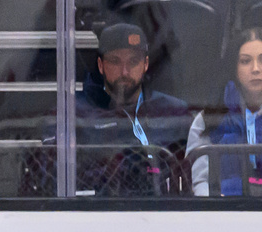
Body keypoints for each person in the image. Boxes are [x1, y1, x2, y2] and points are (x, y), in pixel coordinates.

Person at [73, 22, 189, 195]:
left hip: (164, 214)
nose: (125, 72)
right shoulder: (78, 114)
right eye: (115, 61)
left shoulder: (174, 112)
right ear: (100, 65)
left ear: (145, 64)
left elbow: (188, 180)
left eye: (133, 62)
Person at [186, 28, 262, 197]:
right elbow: (200, 183)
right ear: (234, 68)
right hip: (222, 214)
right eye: (245, 61)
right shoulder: (208, 119)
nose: (256, 68)